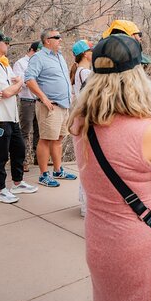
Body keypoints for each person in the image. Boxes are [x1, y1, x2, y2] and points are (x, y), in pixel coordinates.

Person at [69, 34, 151, 301]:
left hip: (99, 242)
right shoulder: (149, 130)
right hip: (139, 243)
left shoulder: (79, 123)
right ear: (136, 75)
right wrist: (145, 182)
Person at [0, 31, 38, 203]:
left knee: (18, 148)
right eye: (5, 42)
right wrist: (19, 83)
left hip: (12, 116)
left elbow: (13, 89)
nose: (8, 45)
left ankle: (18, 182)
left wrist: (16, 86)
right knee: (0, 154)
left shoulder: (4, 64)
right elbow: (7, 91)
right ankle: (0, 189)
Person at [25, 28, 77, 187]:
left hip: (63, 106)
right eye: (57, 37)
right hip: (50, 107)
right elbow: (29, 79)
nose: (60, 40)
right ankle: (43, 175)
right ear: (47, 40)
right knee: (46, 139)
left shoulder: (59, 56)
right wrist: (44, 98)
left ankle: (58, 170)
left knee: (59, 139)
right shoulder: (38, 58)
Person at [70, 39, 93, 217]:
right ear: (85, 53)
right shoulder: (85, 72)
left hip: (78, 116)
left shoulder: (77, 71)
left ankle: (85, 203)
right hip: (85, 118)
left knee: (84, 162)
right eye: (90, 50)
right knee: (88, 162)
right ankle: (87, 205)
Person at [13, 41, 42, 172]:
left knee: (40, 131)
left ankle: (39, 158)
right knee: (25, 132)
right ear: (31, 50)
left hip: (40, 100)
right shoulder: (21, 63)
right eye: (38, 51)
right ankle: (23, 160)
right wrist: (32, 81)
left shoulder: (41, 62)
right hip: (27, 100)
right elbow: (21, 82)